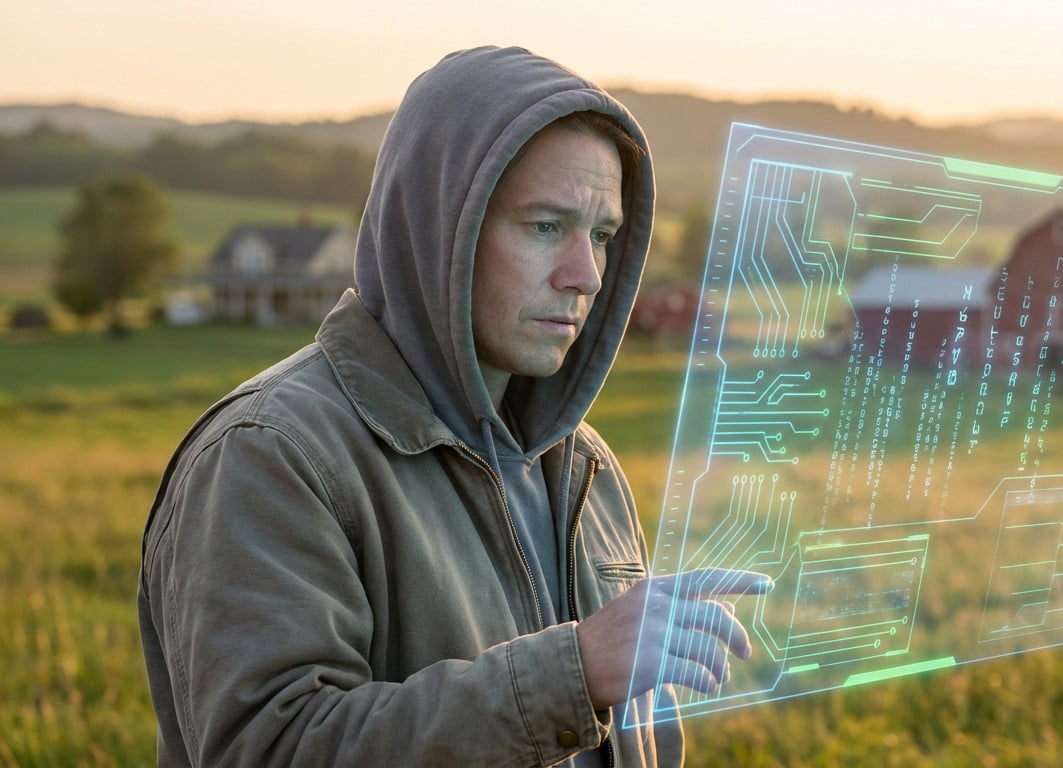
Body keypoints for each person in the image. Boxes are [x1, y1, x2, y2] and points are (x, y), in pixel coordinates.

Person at [137, 46, 770, 767]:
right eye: (544, 227)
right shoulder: (271, 453)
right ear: (441, 228)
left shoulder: (585, 468)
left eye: (602, 235)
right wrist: (576, 670)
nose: (585, 274)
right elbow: (273, 749)